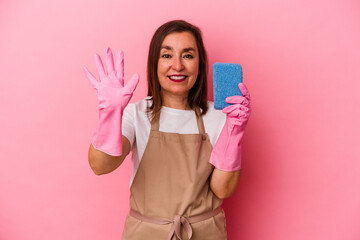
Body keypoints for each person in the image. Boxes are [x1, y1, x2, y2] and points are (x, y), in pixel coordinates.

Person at [84, 20, 251, 240]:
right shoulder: (135, 114)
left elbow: (223, 190)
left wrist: (234, 132)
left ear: (200, 65)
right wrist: (110, 115)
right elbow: (100, 165)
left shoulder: (221, 118)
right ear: (155, 63)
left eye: (188, 55)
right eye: (167, 55)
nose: (178, 66)